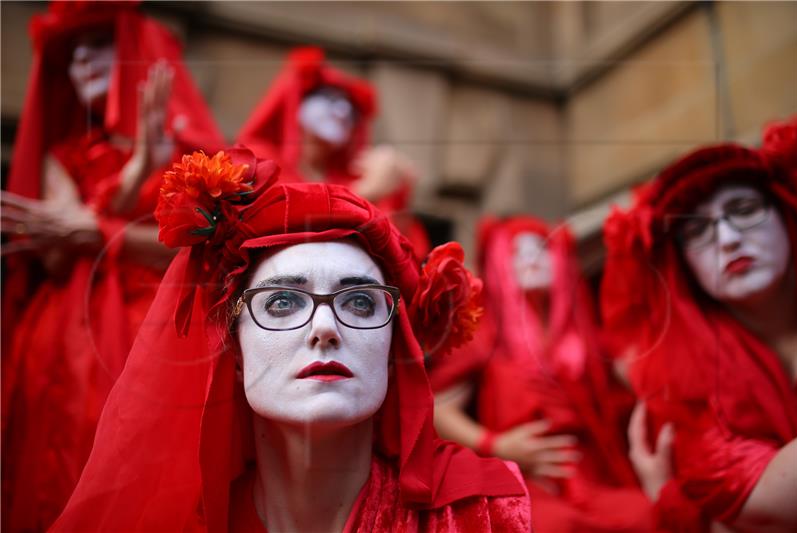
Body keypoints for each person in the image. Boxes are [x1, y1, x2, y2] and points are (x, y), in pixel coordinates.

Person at [51, 148, 530, 532]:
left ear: (393, 346)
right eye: (283, 302)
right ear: (233, 348)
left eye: (360, 303)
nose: (325, 328)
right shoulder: (163, 521)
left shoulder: (481, 513)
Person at [0, 2, 224, 530]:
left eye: (99, 45)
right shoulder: (65, 154)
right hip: (62, 342)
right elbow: (55, 251)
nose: (82, 60)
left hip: (156, 330)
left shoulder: (196, 154)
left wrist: (100, 224)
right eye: (74, 54)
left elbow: (200, 246)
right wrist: (131, 181)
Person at [601, 116, 797, 532]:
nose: (727, 238)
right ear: (683, 264)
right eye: (697, 230)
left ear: (785, 212)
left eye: (743, 210)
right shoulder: (680, 389)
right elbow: (764, 506)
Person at [429, 216, 657, 532]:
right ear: (498, 263)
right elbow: (438, 407)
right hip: (526, 482)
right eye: (516, 251)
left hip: (595, 480)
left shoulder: (589, 339)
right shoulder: (484, 336)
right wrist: (496, 445)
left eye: (540, 249)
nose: (530, 258)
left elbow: (648, 381)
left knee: (645, 515)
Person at [237, 46, 430, 258]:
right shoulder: (258, 161)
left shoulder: (345, 175)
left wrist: (397, 194)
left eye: (351, 111)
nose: (342, 111)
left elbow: (404, 253)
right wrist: (367, 192)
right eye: (329, 99)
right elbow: (280, 222)